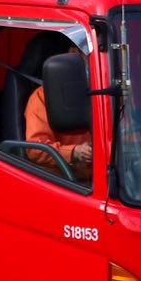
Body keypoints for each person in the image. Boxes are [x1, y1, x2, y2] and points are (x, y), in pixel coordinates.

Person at [25, 48, 92, 185]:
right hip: (65, 182)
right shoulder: (41, 97)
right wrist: (75, 152)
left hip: (108, 178)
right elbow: (35, 148)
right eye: (90, 55)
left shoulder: (103, 93)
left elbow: (128, 135)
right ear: (74, 54)